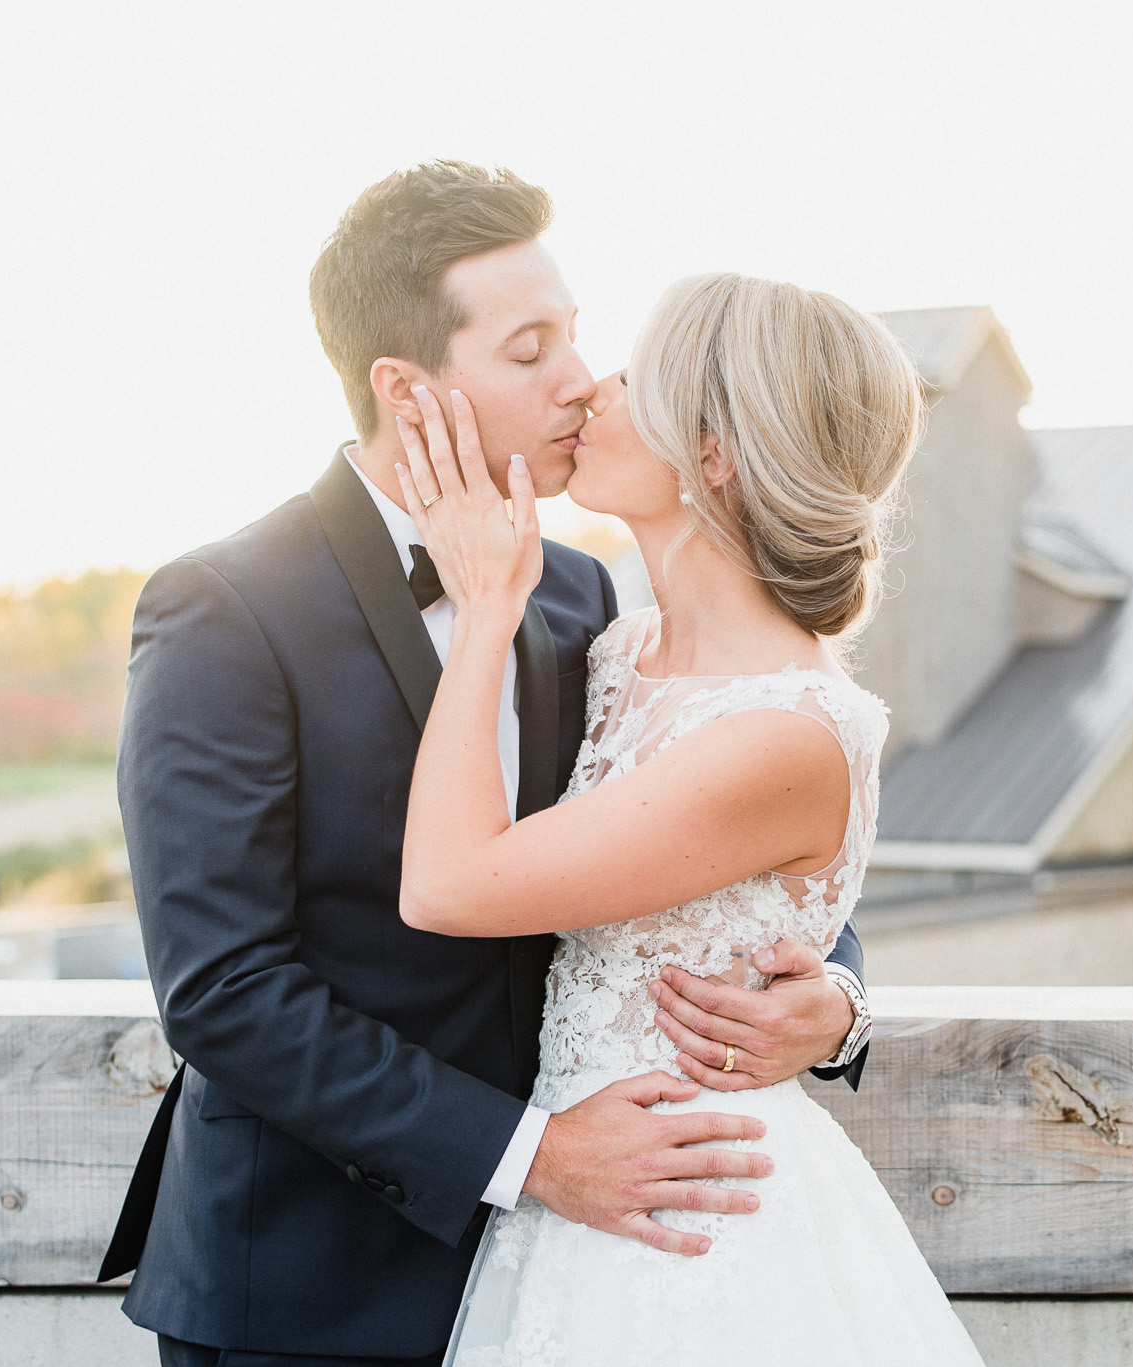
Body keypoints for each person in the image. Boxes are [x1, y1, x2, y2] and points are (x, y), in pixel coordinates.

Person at [104, 163, 872, 1367]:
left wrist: (834, 1001)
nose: (580, 380)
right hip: (312, 1285)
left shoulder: (582, 595)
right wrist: (532, 1155)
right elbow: (221, 986)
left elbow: (723, 847)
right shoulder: (227, 606)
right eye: (529, 351)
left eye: (575, 334)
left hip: (591, 1271)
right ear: (409, 391)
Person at [393, 271, 983, 1365]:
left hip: (692, 1231)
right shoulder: (619, 649)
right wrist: (839, 997)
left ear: (711, 453)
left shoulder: (788, 726)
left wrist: (484, 611)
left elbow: (447, 884)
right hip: (570, 1214)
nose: (589, 393)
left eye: (629, 378)